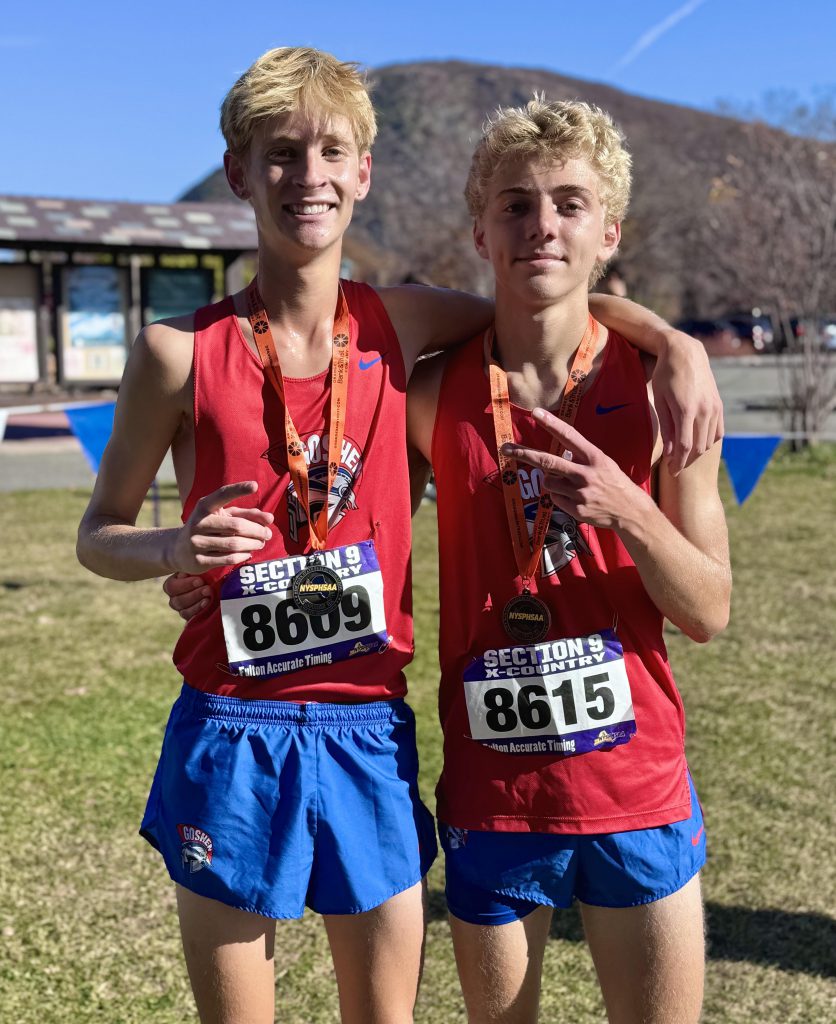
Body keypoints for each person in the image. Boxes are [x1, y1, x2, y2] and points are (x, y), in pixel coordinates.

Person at [79, 47, 722, 1024]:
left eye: (330, 149)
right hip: (247, 724)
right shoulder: (221, 356)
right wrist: (172, 551)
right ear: (238, 170)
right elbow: (99, 535)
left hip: (389, 738)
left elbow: (548, 295)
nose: (307, 174)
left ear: (363, 172)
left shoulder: (406, 328)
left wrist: (673, 345)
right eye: (280, 152)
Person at [402, 98, 732, 1023]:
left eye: (570, 204)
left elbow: (708, 611)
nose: (541, 224)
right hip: (494, 793)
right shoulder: (431, 395)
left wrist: (631, 508)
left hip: (635, 787)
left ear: (608, 232)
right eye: (514, 205)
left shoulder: (669, 399)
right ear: (480, 231)